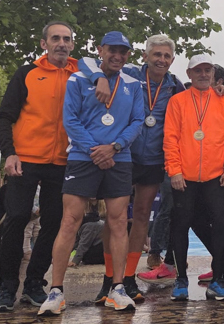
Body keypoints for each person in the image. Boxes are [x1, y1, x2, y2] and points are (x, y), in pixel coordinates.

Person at [39, 31, 144, 315]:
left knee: (119, 222)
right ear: (101, 49)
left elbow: (137, 121)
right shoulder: (79, 78)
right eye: (112, 50)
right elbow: (69, 119)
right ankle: (57, 291)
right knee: (70, 220)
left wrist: (114, 146)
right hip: (83, 157)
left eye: (123, 52)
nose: (118, 56)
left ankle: (117, 288)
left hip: (119, 158)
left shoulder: (133, 84)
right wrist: (94, 150)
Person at [78, 34, 185, 301]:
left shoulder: (175, 86)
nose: (161, 59)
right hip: (123, 153)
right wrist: (98, 78)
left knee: (141, 216)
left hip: (152, 159)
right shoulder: (128, 73)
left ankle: (127, 278)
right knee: (114, 218)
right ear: (145, 56)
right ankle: (108, 279)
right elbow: (85, 61)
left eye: (166, 56)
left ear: (172, 60)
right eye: (156, 54)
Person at [0, 21, 78, 311]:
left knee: (54, 223)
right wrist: (10, 153)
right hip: (26, 159)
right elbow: (3, 116)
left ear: (72, 45)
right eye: (55, 38)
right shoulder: (27, 74)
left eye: (66, 39)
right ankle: (6, 287)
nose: (61, 43)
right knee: (16, 219)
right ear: (44, 44)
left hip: (63, 161)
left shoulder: (81, 74)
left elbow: (113, 74)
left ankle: (33, 283)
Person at [163, 54, 224, 301]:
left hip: (216, 176)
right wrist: (174, 170)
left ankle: (219, 280)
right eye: (199, 70)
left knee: (220, 226)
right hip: (183, 177)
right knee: (180, 226)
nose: (204, 74)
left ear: (213, 73)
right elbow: (170, 139)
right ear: (189, 74)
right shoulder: (177, 101)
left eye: (208, 70)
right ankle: (181, 280)